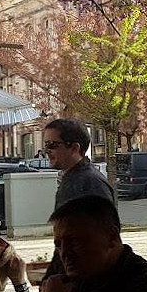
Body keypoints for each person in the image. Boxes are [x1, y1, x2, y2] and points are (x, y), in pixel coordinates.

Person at [41, 118, 114, 280]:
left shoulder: (89, 183)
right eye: (45, 145)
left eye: (52, 145)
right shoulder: (73, 179)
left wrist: (59, 279)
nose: (46, 151)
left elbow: (100, 242)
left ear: (75, 148)